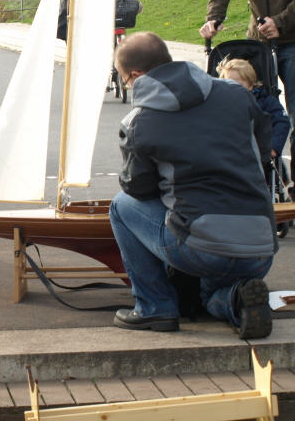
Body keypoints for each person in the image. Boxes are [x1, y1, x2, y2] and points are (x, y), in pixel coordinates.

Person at [110, 32, 277, 339]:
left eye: (124, 79)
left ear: (135, 75)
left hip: (202, 247)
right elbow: (263, 150)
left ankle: (154, 307)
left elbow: (139, 189)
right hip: (260, 248)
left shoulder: (140, 121)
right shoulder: (237, 95)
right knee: (210, 293)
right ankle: (238, 299)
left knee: (121, 206)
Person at [199, 0, 295, 183]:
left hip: (292, 36)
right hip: (261, 39)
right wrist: (214, 17)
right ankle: (265, 171)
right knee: (253, 107)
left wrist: (282, 20)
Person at [217, 57, 290, 158]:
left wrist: (273, 147)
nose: (234, 88)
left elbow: (281, 121)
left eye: (240, 84)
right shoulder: (219, 103)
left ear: (251, 85)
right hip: (225, 152)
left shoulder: (265, 102)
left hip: (256, 153)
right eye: (229, 84)